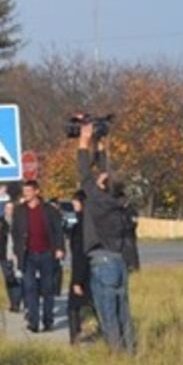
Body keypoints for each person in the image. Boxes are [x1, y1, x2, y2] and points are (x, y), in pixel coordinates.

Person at [76, 122, 137, 353]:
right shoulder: (120, 203)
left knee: (107, 313)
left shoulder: (100, 202)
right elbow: (101, 176)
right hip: (119, 261)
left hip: (103, 263)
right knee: (123, 311)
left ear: (103, 186)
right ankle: (130, 352)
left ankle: (116, 353)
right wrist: (100, 143)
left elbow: (84, 173)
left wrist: (84, 141)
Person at [9, 179, 66, 333]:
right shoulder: (20, 210)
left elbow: (58, 230)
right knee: (30, 287)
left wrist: (60, 248)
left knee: (48, 288)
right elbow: (15, 232)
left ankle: (48, 320)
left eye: (29, 191)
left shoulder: (49, 210)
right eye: (24, 191)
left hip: (47, 253)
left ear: (36, 192)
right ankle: (33, 322)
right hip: (28, 254)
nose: (26, 194)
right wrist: (16, 250)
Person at [66, 191, 92, 345]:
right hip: (93, 268)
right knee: (93, 304)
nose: (73, 205)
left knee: (74, 306)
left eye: (75, 202)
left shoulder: (81, 226)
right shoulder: (92, 222)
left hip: (83, 271)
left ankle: (74, 337)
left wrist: (77, 280)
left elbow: (79, 254)